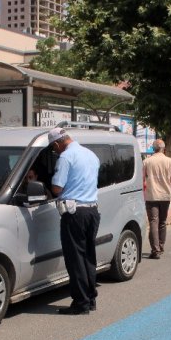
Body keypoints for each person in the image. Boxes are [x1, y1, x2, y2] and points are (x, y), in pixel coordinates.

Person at [49, 127, 100, 315]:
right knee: (88, 257)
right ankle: (91, 298)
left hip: (74, 213)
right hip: (92, 211)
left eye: (53, 148)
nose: (54, 151)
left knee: (75, 259)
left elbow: (56, 188)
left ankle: (80, 303)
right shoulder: (90, 154)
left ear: (57, 143)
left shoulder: (65, 158)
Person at [143, 139, 171, 259]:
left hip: (151, 196)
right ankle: (161, 246)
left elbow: (142, 179)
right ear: (163, 148)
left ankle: (155, 250)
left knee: (154, 221)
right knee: (162, 222)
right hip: (165, 196)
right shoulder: (170, 161)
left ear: (153, 149)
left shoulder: (147, 162)